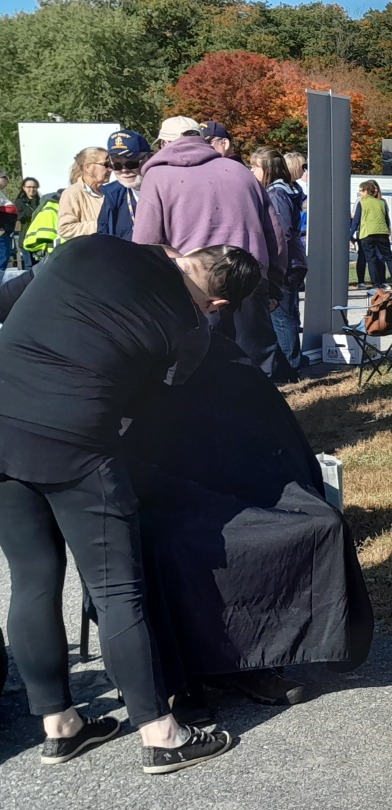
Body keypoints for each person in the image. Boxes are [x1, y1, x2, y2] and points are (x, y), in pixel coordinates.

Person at [0, 236, 261, 774]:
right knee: (116, 588)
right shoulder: (190, 330)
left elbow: (11, 300)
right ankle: (162, 735)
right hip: (77, 442)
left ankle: (60, 726)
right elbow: (147, 412)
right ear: (218, 303)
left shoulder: (87, 247)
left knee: (32, 578)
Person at [132, 126, 285, 380]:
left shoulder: (157, 177)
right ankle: (258, 404)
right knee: (255, 361)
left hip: (193, 285)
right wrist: (275, 286)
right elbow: (275, 235)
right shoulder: (240, 172)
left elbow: (145, 244)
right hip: (248, 275)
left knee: (199, 365)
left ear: (164, 145)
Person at [250, 148, 308, 379]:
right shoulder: (289, 189)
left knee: (281, 316)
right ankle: (292, 362)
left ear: (267, 169)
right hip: (294, 259)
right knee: (289, 313)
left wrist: (274, 264)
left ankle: (289, 368)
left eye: (255, 166)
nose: (251, 171)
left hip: (285, 262)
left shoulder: (276, 194)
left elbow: (280, 233)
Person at [97, 130, 153, 240]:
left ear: (149, 159)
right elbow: (102, 237)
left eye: (131, 163)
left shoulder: (166, 192)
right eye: (116, 165)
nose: (124, 170)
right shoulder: (113, 194)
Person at [58, 146, 110, 241]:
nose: (111, 169)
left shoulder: (109, 192)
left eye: (112, 164)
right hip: (89, 249)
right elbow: (65, 229)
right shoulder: (72, 193)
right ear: (88, 167)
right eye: (106, 164)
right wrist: (101, 225)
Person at [350, 180, 392, 289]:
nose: (360, 193)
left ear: (366, 191)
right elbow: (386, 219)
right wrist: (388, 231)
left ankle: (375, 284)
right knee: (388, 258)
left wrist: (350, 235)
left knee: (371, 259)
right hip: (382, 233)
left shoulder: (362, 202)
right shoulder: (381, 202)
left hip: (367, 233)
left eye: (361, 191)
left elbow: (356, 220)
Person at [15, 177, 42, 269]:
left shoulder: (41, 201)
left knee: (39, 265)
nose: (32, 189)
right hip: (25, 238)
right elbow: (20, 217)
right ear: (24, 188)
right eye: (29, 187)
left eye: (34, 187)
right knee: (29, 265)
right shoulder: (19, 202)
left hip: (38, 238)